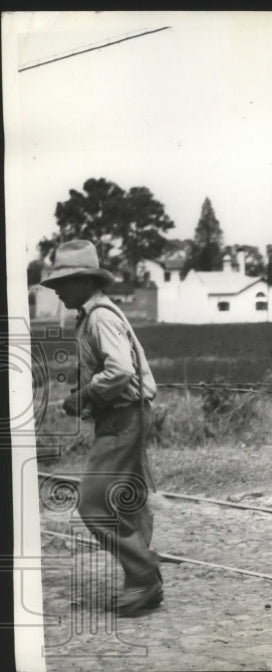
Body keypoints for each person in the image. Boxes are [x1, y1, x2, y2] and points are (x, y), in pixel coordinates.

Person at [41, 240, 162, 617]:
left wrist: (84, 397)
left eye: (63, 281)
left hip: (123, 416)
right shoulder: (93, 315)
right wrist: (88, 393)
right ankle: (142, 581)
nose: (57, 289)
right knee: (131, 498)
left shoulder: (100, 317)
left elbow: (121, 371)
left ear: (85, 281)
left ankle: (144, 577)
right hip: (128, 413)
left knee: (94, 502)